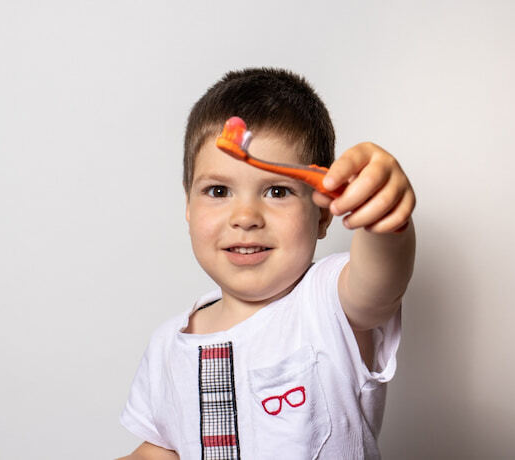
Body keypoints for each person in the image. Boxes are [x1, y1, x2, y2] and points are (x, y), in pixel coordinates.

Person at [118, 68, 416, 460]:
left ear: (323, 215)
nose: (245, 216)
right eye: (218, 190)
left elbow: (379, 282)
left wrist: (385, 217)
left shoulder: (327, 305)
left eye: (277, 191)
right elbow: (160, 451)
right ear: (188, 207)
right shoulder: (167, 347)